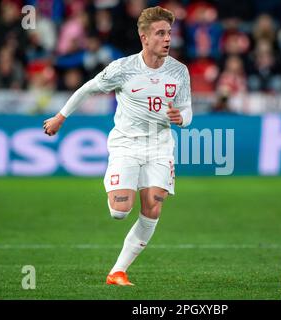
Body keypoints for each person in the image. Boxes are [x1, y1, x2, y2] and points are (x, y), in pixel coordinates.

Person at [43, 6, 193, 286]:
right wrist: (60, 117)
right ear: (144, 37)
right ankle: (117, 182)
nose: (167, 39)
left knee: (154, 207)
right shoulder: (123, 69)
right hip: (126, 145)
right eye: (160, 33)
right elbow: (87, 88)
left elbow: (187, 111)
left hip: (160, 147)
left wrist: (181, 118)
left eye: (169, 33)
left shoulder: (179, 72)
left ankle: (118, 272)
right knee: (120, 211)